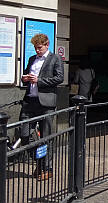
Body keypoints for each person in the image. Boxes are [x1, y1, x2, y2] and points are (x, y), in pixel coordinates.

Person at [20, 33, 64, 181]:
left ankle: (47, 167)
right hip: (30, 101)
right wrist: (25, 78)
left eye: (39, 48)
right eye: (35, 48)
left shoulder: (55, 58)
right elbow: (27, 74)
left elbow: (59, 78)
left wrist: (39, 80)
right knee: (25, 134)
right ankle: (39, 161)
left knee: (46, 137)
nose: (37, 50)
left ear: (47, 45)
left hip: (46, 103)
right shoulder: (32, 59)